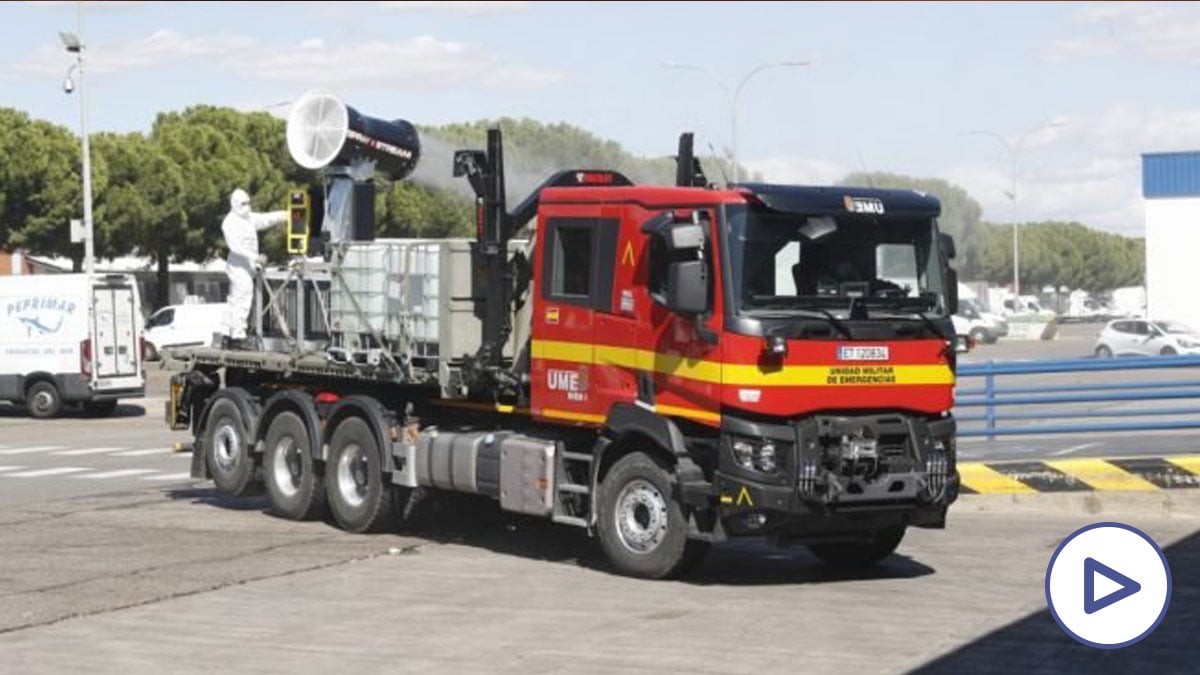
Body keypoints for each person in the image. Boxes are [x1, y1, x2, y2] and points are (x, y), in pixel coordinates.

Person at [220, 188, 286, 348]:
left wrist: (285, 214)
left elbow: (265, 219)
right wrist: (255, 257)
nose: (247, 206)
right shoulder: (229, 223)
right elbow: (235, 247)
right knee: (242, 299)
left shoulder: (248, 218)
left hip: (247, 266)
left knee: (235, 301)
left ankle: (227, 334)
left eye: (248, 203)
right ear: (234, 204)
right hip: (238, 266)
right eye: (243, 203)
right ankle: (237, 337)